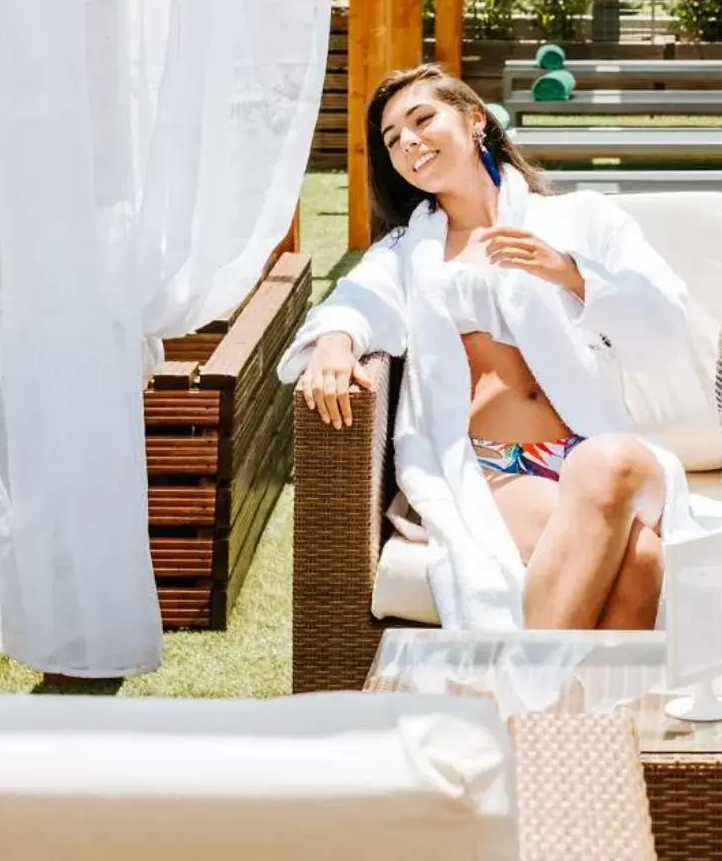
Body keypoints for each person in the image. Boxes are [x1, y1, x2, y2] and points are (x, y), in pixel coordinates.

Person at [278, 64, 696, 632]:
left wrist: (572, 275)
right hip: (496, 468)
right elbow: (355, 301)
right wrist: (334, 340)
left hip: (587, 446)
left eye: (422, 119)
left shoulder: (579, 219)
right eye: (392, 138)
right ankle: (587, 716)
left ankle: (522, 696)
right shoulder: (408, 252)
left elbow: (666, 318)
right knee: (642, 558)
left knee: (612, 461)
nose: (408, 142)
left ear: (476, 120)